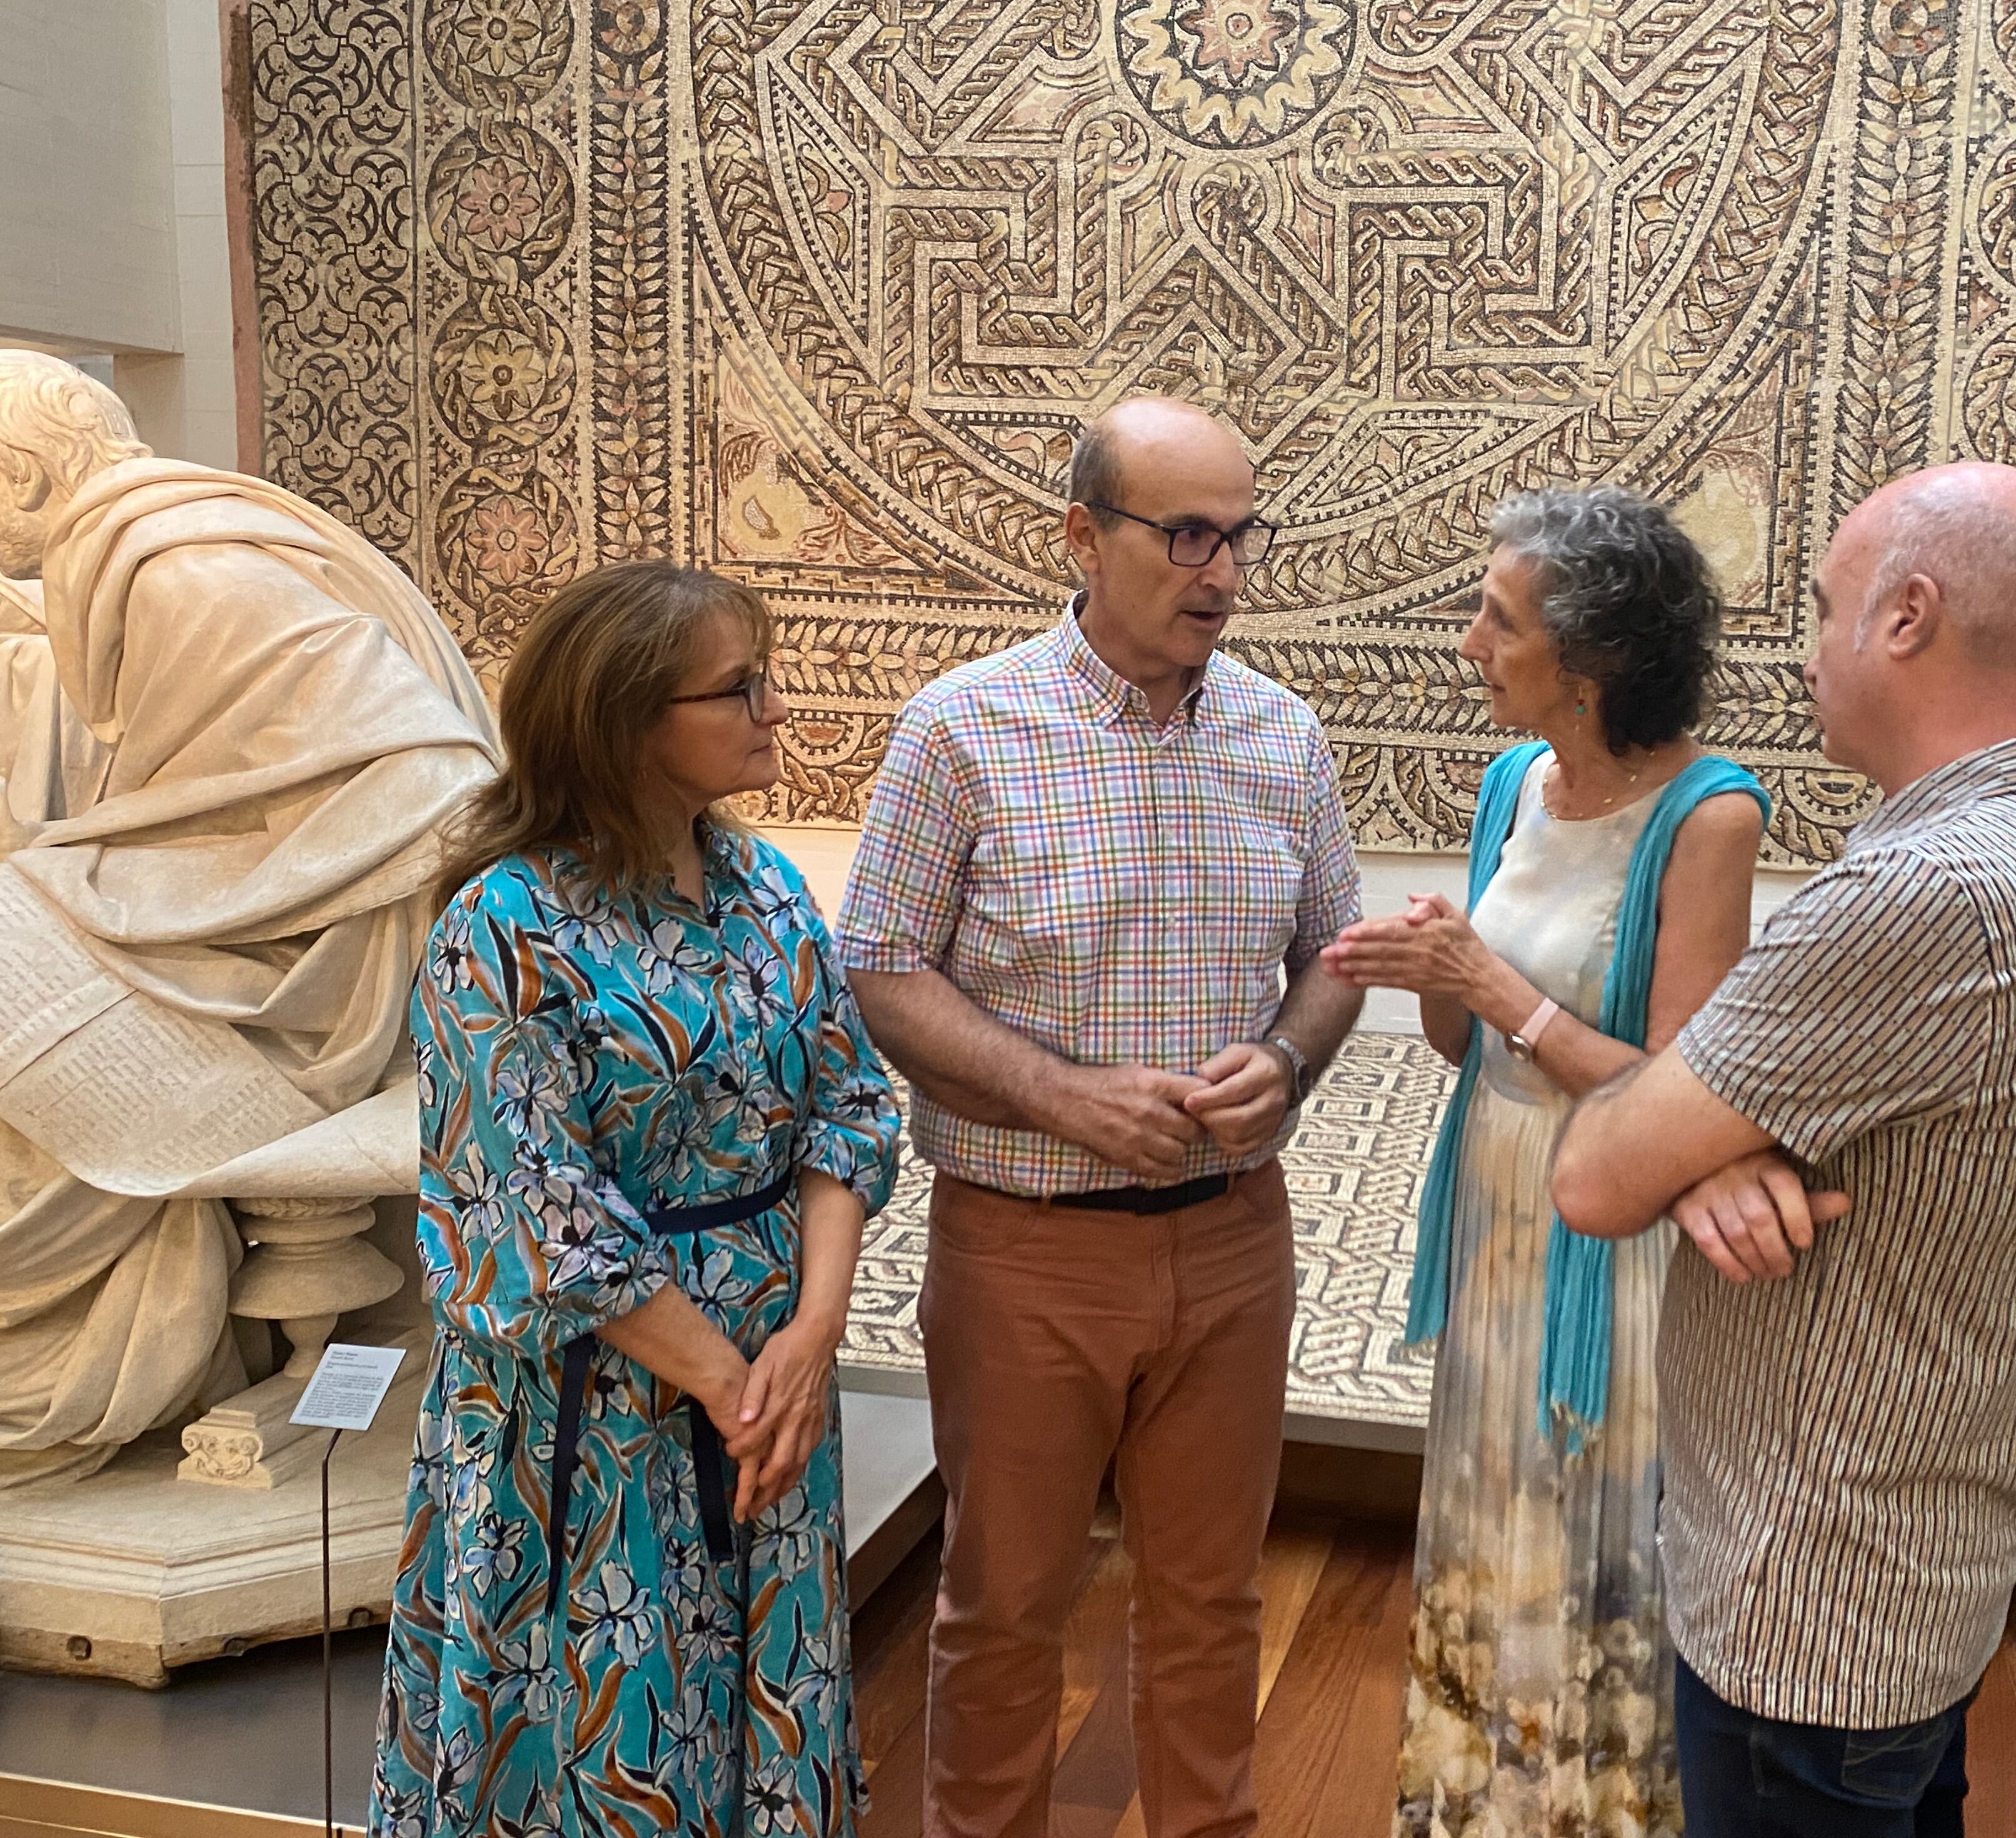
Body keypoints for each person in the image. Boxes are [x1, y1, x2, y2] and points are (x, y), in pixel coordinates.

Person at [1550, 462, 2016, 1837]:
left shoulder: (1932, 890)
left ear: (1908, 617)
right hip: (1906, 1570)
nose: (1805, 646)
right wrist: (1718, 1141)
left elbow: (1594, 1177)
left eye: (1824, 608)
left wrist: (1681, 1139)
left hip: (1810, 1604)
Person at [836, 394, 1364, 1837]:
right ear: (1082, 535)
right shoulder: (966, 730)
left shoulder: (1282, 734)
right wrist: (1062, 1096)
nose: (1224, 572)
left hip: (1234, 1242)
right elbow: (879, 965)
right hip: (1027, 1252)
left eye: (1240, 535)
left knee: (1210, 1598)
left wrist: (1293, 1056)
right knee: (1005, 1603)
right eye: (1186, 533)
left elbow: (1332, 956)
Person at [370, 562, 901, 1838]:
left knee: (758, 1704)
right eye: (741, 686)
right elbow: (542, 1214)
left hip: (772, 1386)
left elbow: (848, 1107)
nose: (777, 708)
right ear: (627, 723)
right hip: (597, 1413)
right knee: (602, 1728)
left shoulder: (762, 881)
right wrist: (733, 1386)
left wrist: (812, 1341)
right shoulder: (504, 927)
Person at [1318, 486, 1770, 1835]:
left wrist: (1491, 986)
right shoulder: (1516, 780)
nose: (1470, 643)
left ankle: (1589, 1812)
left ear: (1587, 660)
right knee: (1489, 1508)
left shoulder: (1708, 816)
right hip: (1500, 1200)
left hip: (1614, 1228)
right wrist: (1432, 976)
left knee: (1599, 1533)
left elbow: (1685, 1098)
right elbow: (1476, 1047)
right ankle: (1480, 1804)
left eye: (1496, 620)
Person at [0, 349, 498, 1485]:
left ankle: (87, 1378)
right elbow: (173, 724)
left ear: (22, 482)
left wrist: (121, 885)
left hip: (318, 977)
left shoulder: (186, 567)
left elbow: (431, 787)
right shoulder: (147, 543)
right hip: (275, 930)